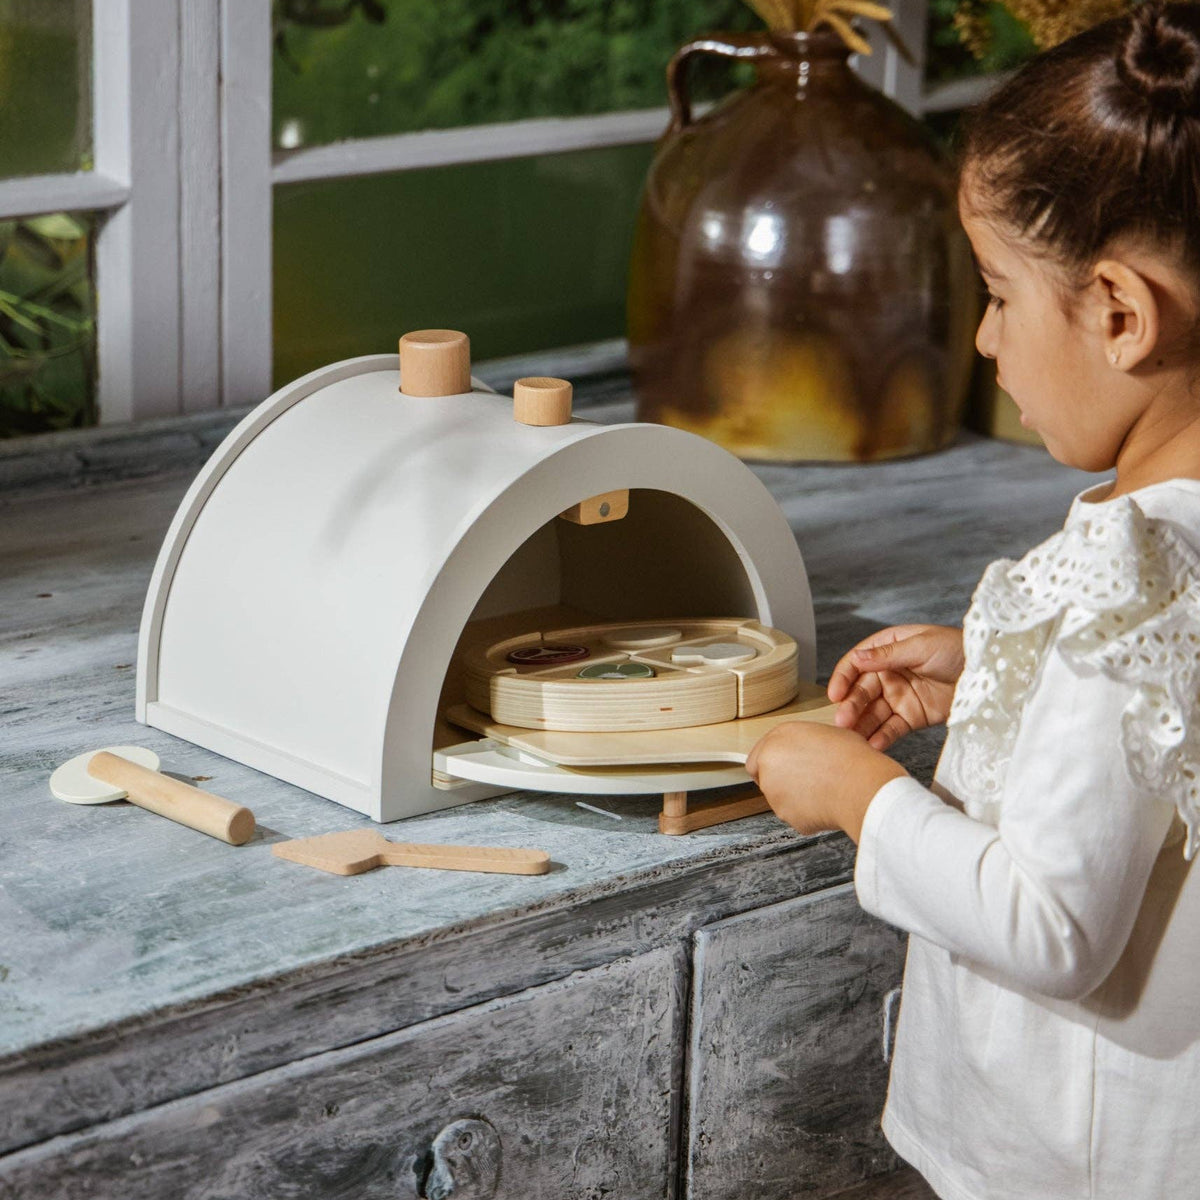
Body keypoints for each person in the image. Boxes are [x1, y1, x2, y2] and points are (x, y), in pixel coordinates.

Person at [744, 4, 1200, 1197]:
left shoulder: (1131, 573)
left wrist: (860, 798)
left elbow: (1052, 923)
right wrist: (1002, 667)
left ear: (1119, 312)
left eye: (998, 293)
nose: (988, 342)